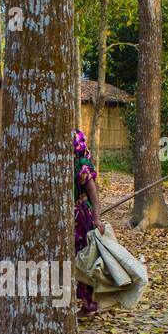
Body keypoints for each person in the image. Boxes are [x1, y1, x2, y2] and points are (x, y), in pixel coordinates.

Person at [72, 129, 105, 316]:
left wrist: (97, 218)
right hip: (69, 217)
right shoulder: (65, 164)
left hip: (82, 219)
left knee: (83, 258)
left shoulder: (82, 166)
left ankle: (89, 304)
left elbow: (93, 193)